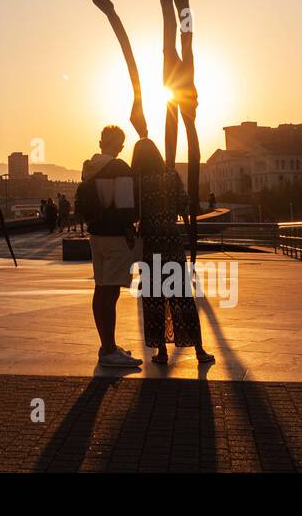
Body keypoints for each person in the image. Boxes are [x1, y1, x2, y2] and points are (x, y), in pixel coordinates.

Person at [132, 138, 214, 366]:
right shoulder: (171, 176)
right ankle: (199, 350)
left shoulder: (137, 182)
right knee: (182, 296)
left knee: (154, 297)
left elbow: (132, 214)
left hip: (149, 243)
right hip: (171, 240)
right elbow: (184, 205)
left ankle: (161, 352)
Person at [75, 126, 142, 369]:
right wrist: (130, 231)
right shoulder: (119, 167)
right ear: (121, 146)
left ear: (100, 142)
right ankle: (110, 350)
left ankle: (107, 345)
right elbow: (125, 205)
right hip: (115, 237)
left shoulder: (88, 167)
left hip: (96, 236)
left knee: (101, 288)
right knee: (111, 292)